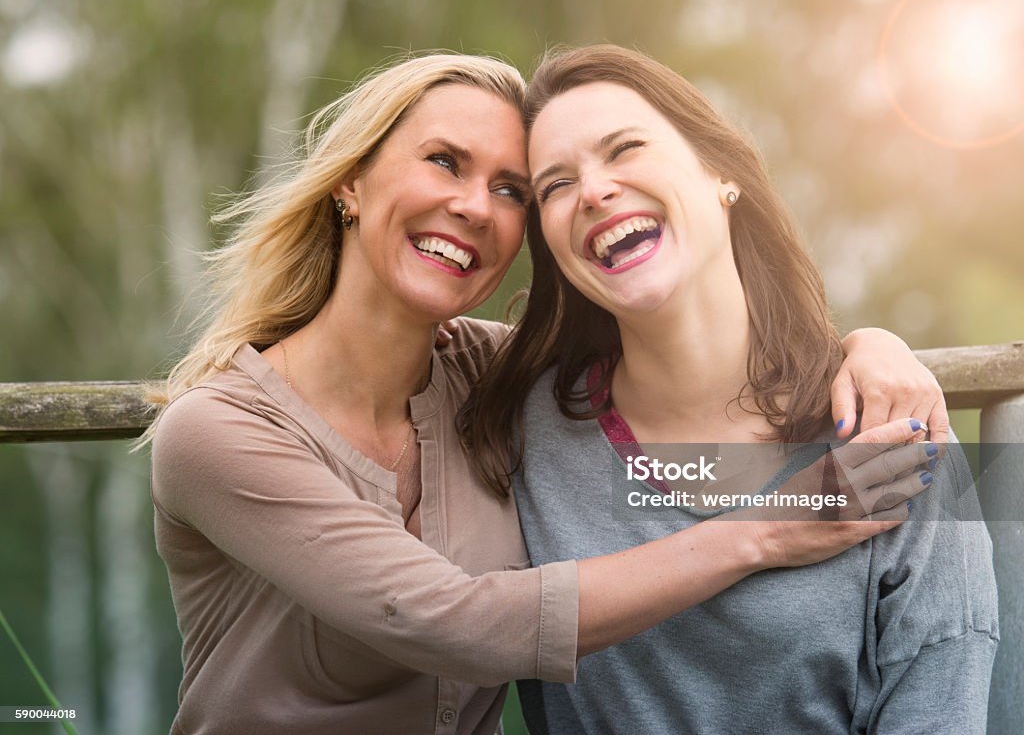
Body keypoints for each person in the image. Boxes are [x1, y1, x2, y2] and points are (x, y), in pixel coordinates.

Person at [146, 52, 948, 735]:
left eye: (512, 191)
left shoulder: (492, 378)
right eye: (445, 161)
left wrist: (869, 348)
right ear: (350, 183)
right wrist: (769, 528)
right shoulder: (215, 433)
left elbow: (677, 339)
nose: (473, 207)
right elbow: (449, 622)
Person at [460, 45, 998, 734]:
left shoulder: (890, 429)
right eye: (556, 185)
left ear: (721, 173)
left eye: (624, 148)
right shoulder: (520, 426)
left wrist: (874, 343)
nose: (593, 191)